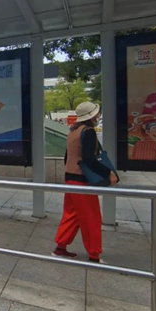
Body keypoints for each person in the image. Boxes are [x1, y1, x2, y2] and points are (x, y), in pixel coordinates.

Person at [53, 101, 118, 263]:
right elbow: (89, 158)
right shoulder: (88, 132)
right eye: (97, 113)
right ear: (92, 116)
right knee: (91, 218)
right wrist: (108, 172)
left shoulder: (72, 131)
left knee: (71, 215)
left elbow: (67, 157)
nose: (98, 116)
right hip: (82, 180)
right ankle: (94, 255)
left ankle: (60, 247)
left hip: (70, 178)